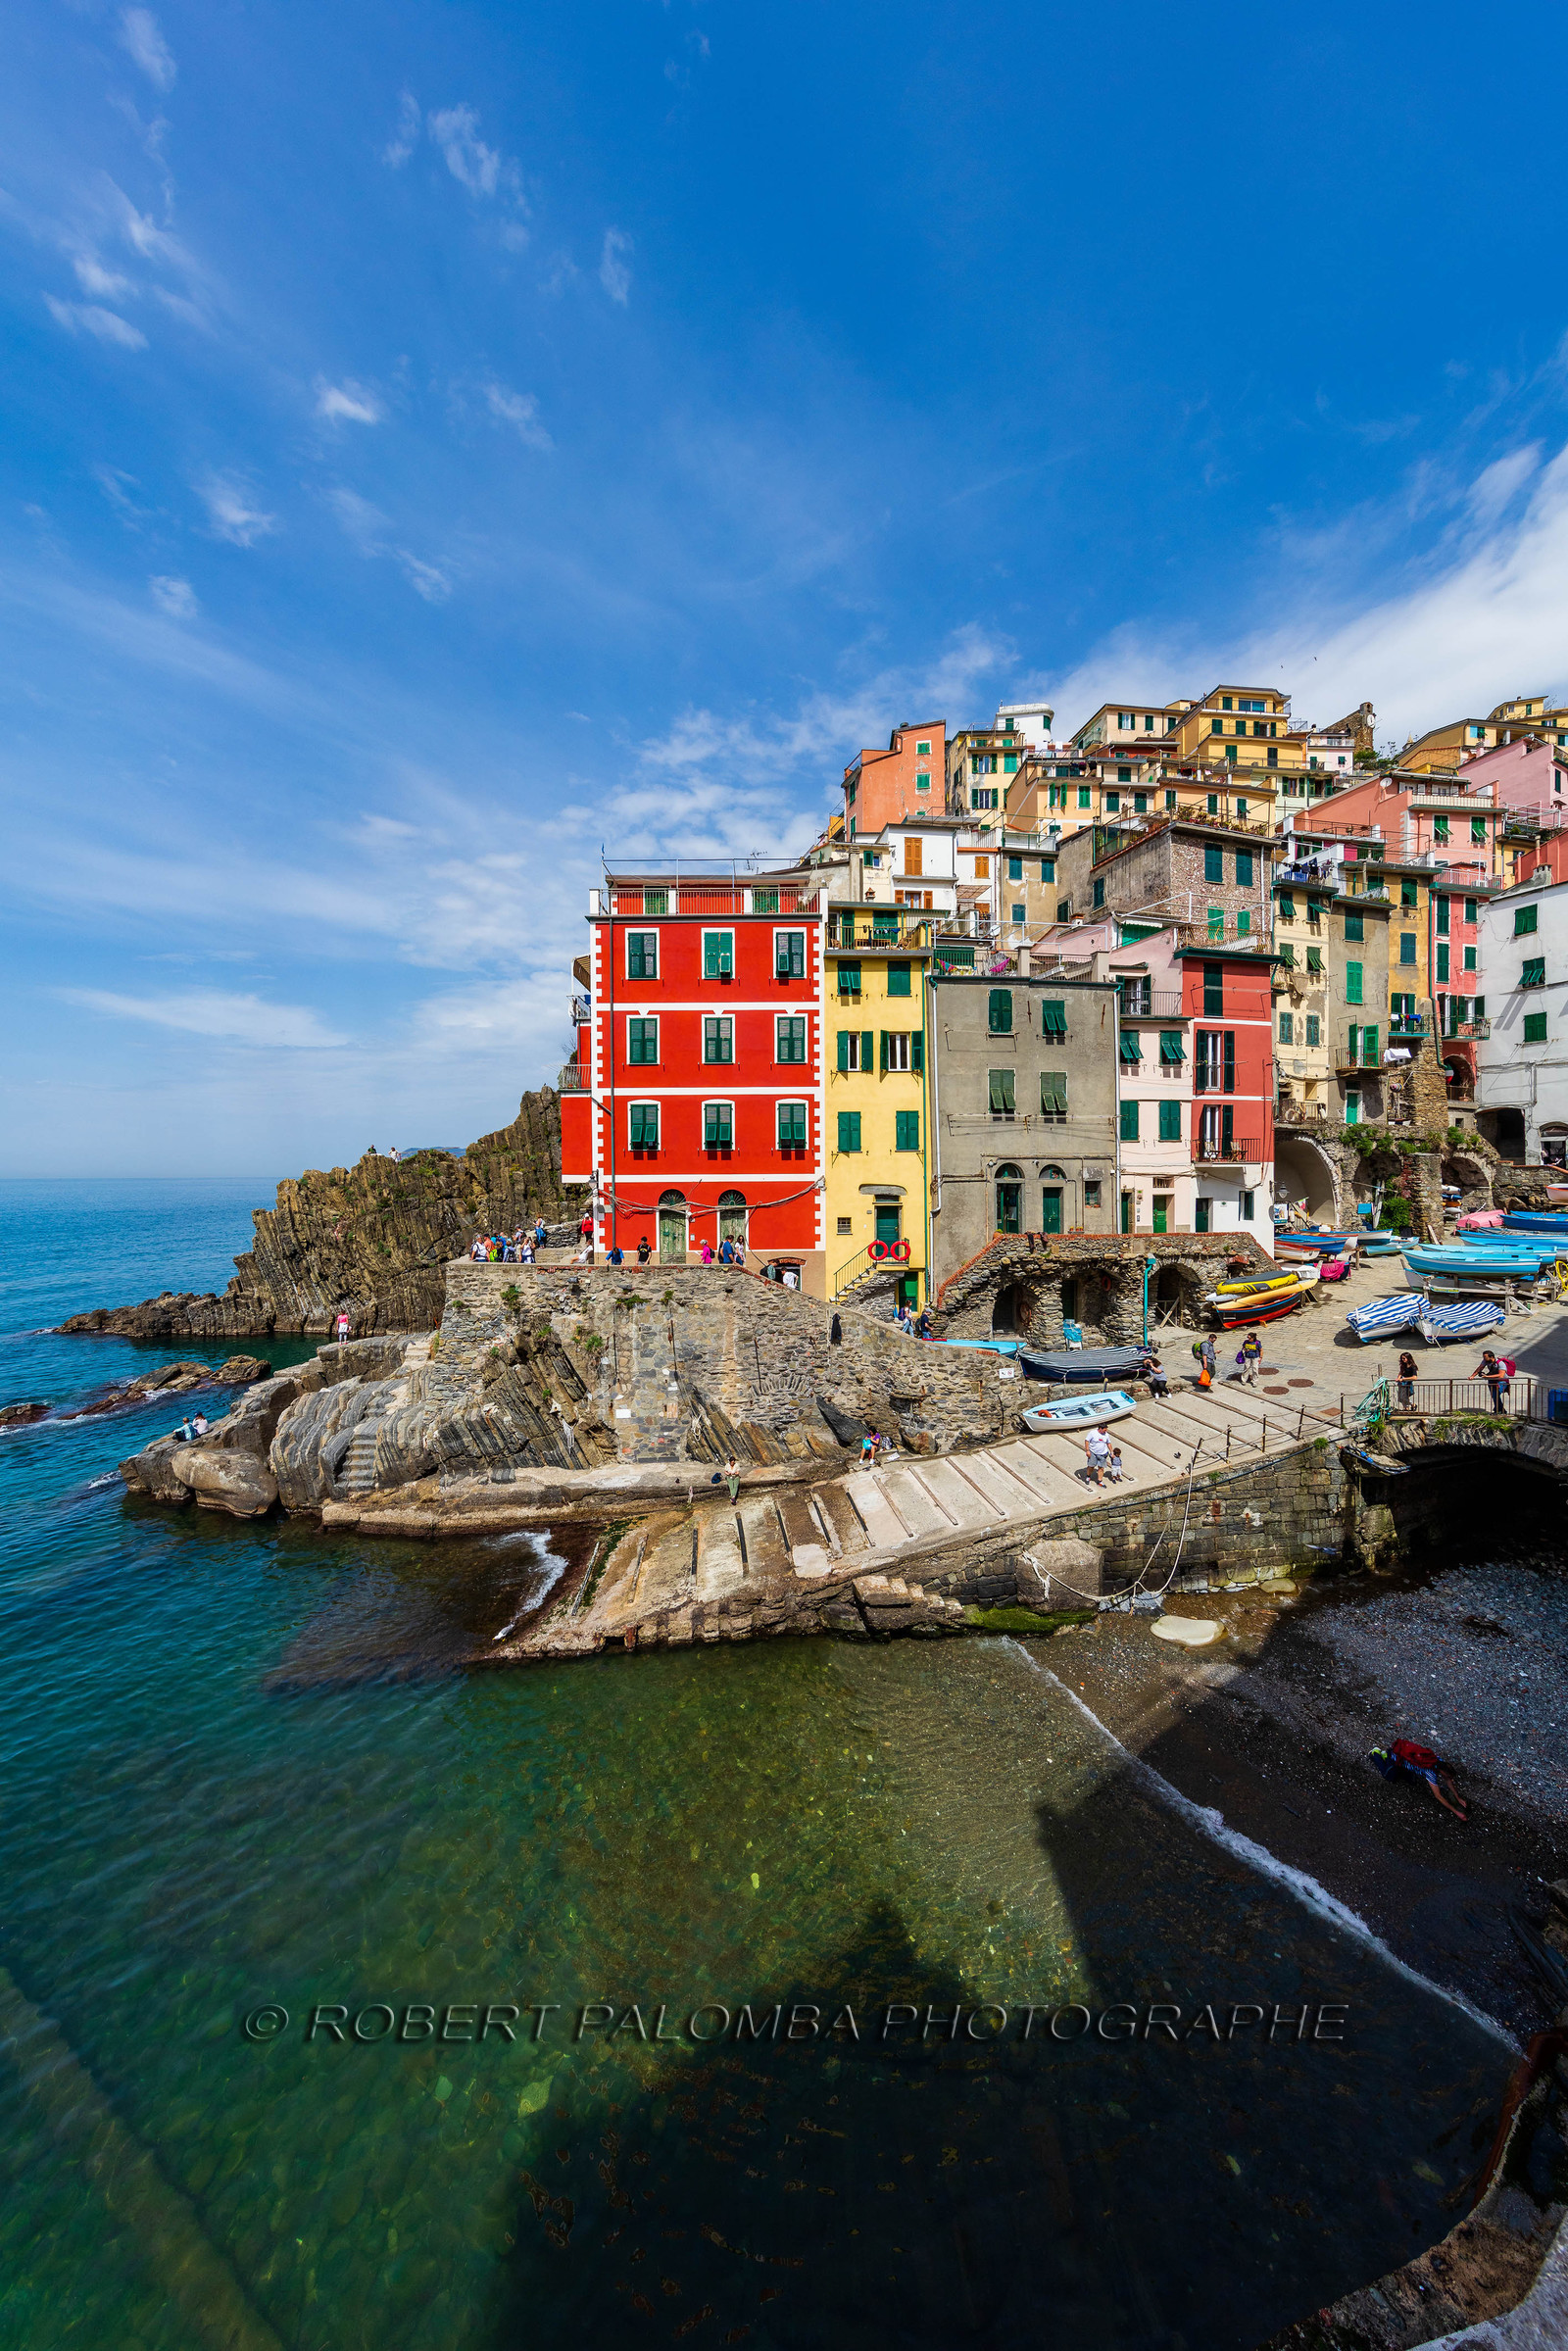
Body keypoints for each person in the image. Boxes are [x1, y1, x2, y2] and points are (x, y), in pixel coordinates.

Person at [1371, 1739, 1468, 1820]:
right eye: (1448, 1776)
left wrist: (1458, 1798)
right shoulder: (1430, 1773)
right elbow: (1438, 1796)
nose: (1449, 1779)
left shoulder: (1439, 1761)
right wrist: (1456, 1812)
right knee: (1389, 1776)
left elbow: (1448, 1780)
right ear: (1442, 1772)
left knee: (1412, 1781)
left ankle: (1389, 1758)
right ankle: (1376, 1754)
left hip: (1405, 1762)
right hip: (1395, 1758)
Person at [1474, 1348, 1513, 1412]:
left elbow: (1501, 1375)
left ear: (1491, 1357)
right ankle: (1499, 1410)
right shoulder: (1485, 1361)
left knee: (1496, 1394)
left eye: (1485, 1357)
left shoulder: (1500, 1363)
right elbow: (1479, 1368)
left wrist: (1487, 1376)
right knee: (1494, 1396)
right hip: (1492, 1380)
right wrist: (1472, 1376)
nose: (1484, 1358)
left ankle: (1499, 1410)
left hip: (1502, 1381)